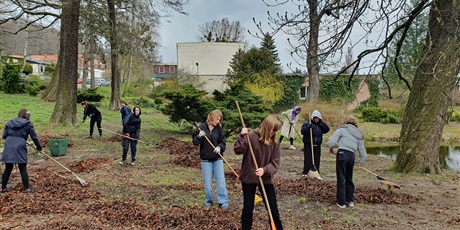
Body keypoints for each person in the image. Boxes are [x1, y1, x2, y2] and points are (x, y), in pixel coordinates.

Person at [234, 116, 284, 230]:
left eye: (276, 131)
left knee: (273, 209)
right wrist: (241, 136)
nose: (274, 133)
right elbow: (238, 150)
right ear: (266, 127)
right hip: (249, 177)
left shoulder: (275, 142)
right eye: (273, 130)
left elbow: (275, 163)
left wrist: (265, 170)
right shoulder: (251, 136)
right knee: (248, 208)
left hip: (265, 178)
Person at [327, 118, 367, 209]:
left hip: (342, 154)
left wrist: (330, 147)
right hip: (352, 156)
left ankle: (341, 203)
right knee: (349, 177)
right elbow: (362, 150)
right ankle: (350, 200)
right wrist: (361, 162)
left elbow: (332, 142)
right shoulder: (358, 134)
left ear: (347, 124)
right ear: (355, 125)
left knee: (341, 177)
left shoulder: (342, 129)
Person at [192, 109, 228, 209]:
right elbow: (195, 142)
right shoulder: (201, 128)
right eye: (217, 119)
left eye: (219, 120)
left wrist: (220, 147)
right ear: (211, 118)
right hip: (205, 160)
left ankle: (223, 202)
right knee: (207, 183)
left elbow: (223, 141)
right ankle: (208, 201)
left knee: (221, 182)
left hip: (217, 159)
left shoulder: (219, 129)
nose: (218, 122)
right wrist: (199, 136)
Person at [1, 109, 42, 194]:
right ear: (26, 116)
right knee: (22, 167)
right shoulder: (28, 124)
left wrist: (14, 136)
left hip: (9, 145)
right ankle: (27, 189)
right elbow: (34, 137)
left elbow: (4, 136)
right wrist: (39, 147)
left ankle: (2, 189)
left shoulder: (10, 122)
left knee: (8, 168)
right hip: (20, 145)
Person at [300, 110, 330, 177]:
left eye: (317, 118)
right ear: (312, 118)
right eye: (315, 118)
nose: (316, 120)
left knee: (317, 159)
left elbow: (327, 129)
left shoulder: (320, 124)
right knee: (308, 159)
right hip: (308, 144)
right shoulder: (307, 123)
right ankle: (305, 172)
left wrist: (322, 124)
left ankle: (316, 172)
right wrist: (308, 127)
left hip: (317, 145)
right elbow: (303, 131)